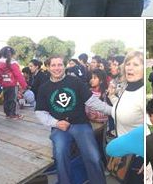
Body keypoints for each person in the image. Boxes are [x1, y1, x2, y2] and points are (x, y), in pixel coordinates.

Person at [35, 55, 112, 184]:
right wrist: (56, 123)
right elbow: (39, 112)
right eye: (53, 65)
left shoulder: (75, 82)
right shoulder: (44, 88)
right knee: (60, 153)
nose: (57, 68)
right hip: (60, 127)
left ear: (64, 66)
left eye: (59, 64)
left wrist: (112, 111)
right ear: (48, 67)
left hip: (80, 124)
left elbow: (92, 101)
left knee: (93, 156)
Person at [109, 51, 144, 184]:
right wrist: (112, 96)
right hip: (123, 151)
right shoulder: (127, 87)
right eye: (128, 64)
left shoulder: (141, 94)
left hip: (137, 157)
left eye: (135, 64)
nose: (130, 67)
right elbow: (123, 110)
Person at [0, 46, 27, 120]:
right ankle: (12, 114)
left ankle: (7, 113)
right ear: (12, 54)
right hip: (12, 85)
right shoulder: (13, 63)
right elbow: (18, 75)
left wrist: (0, 82)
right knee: (12, 99)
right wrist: (24, 84)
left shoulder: (0, 63)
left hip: (5, 84)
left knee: (6, 99)